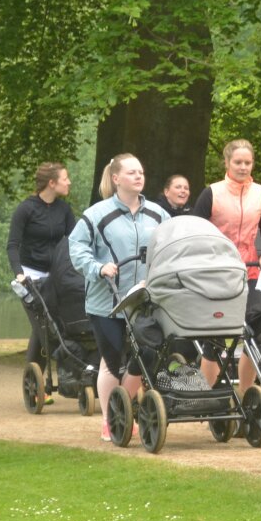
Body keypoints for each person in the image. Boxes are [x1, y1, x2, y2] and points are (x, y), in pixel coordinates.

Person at [68, 154, 168, 441]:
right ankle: (110, 419)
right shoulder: (97, 214)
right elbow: (77, 248)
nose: (139, 176)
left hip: (145, 300)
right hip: (106, 302)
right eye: (132, 172)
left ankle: (122, 407)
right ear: (116, 179)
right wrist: (98, 268)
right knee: (111, 360)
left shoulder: (159, 214)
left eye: (141, 172)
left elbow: (173, 244)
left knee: (147, 352)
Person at [192, 139, 261, 392]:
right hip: (218, 271)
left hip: (250, 269)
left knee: (255, 332)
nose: (243, 167)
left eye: (247, 162)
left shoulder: (260, 193)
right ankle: (208, 397)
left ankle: (245, 395)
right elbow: (194, 230)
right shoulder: (212, 193)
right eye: (238, 162)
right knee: (215, 337)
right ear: (227, 163)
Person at [7, 162, 76, 374]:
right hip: (30, 275)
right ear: (52, 183)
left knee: (55, 324)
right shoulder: (26, 209)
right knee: (42, 325)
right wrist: (19, 273)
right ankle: (39, 382)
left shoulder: (64, 210)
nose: (69, 182)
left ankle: (41, 380)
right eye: (65, 178)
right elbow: (13, 245)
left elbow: (75, 243)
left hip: (56, 274)